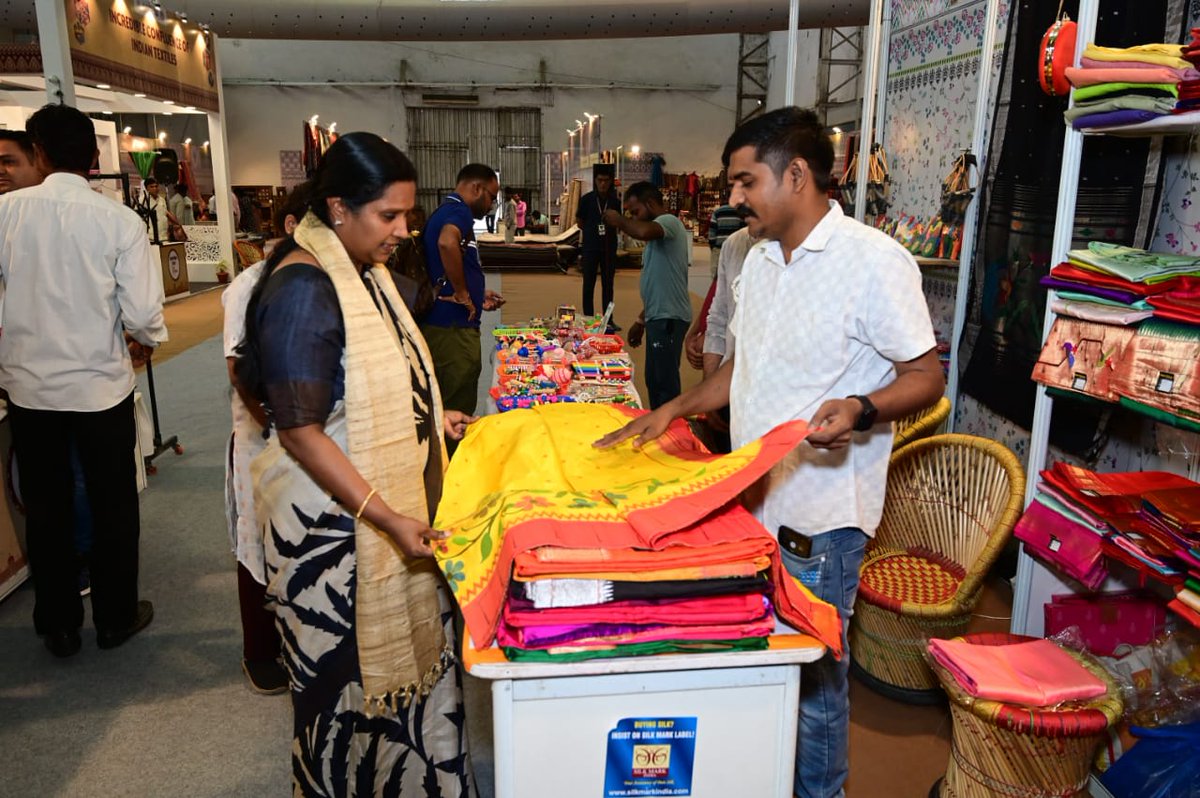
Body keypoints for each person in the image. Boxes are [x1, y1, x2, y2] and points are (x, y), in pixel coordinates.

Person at [596, 107, 944, 798]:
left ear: (797, 174)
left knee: (814, 681)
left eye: (744, 181)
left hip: (819, 519)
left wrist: (862, 408)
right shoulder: (756, 261)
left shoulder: (873, 263)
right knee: (753, 662)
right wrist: (671, 409)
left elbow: (926, 375)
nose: (732, 198)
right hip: (751, 503)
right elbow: (738, 372)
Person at [236, 132, 475, 795]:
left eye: (408, 215)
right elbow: (302, 430)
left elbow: (366, 390)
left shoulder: (360, 272)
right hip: (333, 537)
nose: (404, 231)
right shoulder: (304, 289)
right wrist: (387, 516)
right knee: (347, 698)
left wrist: (431, 419)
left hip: (376, 512)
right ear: (338, 207)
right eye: (389, 217)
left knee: (403, 691)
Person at [0, 104, 167, 658]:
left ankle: (58, 623)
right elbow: (142, 312)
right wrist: (145, 337)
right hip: (100, 388)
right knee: (113, 503)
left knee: (46, 507)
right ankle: (116, 617)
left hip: (30, 389)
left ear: (39, 153)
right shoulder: (117, 220)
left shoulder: (6, 213)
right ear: (95, 159)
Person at [221, 182, 312, 695]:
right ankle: (259, 652)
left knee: (298, 537)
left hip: (301, 433)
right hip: (261, 435)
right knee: (257, 540)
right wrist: (276, 427)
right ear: (290, 225)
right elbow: (238, 369)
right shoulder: (250, 285)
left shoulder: (314, 282)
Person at [420, 163, 505, 416]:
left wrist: (477, 295)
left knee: (449, 399)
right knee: (456, 407)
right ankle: (454, 456)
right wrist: (463, 294)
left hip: (447, 325)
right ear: (476, 188)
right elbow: (447, 242)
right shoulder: (459, 211)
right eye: (491, 196)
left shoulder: (446, 209)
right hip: (452, 329)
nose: (491, 204)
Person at [601, 182, 691, 409]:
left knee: (665, 383)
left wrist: (618, 219)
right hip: (658, 315)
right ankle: (660, 425)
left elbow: (642, 230)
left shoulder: (668, 222)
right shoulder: (655, 241)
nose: (634, 218)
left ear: (651, 204)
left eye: (636, 212)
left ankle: (671, 433)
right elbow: (658, 287)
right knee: (654, 379)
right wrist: (641, 321)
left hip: (669, 317)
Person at [576, 163, 621, 326]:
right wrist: (591, 231)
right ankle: (588, 319)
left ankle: (608, 319)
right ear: (595, 180)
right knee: (589, 283)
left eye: (606, 180)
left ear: (610, 182)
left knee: (608, 285)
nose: (603, 184)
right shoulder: (586, 200)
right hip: (590, 247)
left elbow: (619, 222)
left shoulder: (614, 201)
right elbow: (579, 222)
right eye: (600, 180)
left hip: (609, 247)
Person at [144, 177, 170, 242]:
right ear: (147, 188)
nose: (155, 188)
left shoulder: (162, 200)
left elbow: (165, 214)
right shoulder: (143, 200)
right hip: (151, 237)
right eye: (152, 187)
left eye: (156, 186)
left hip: (164, 237)